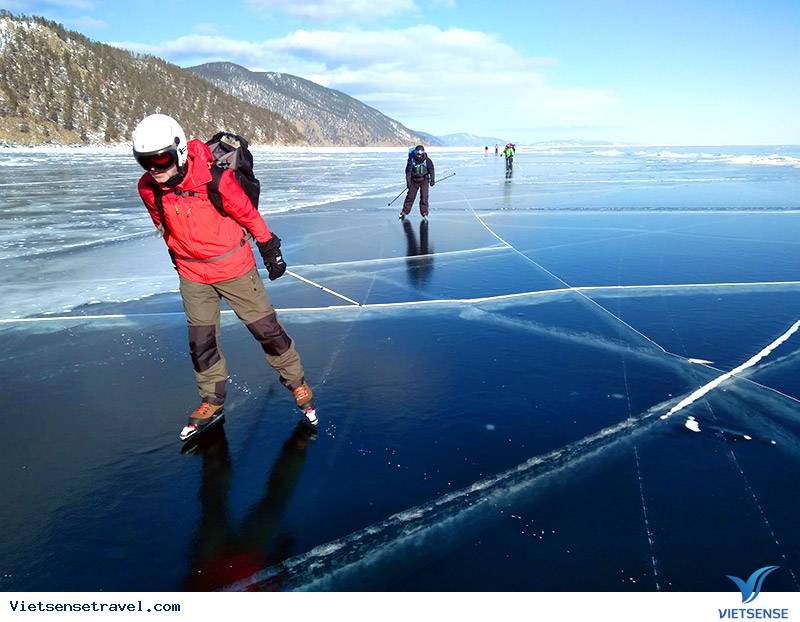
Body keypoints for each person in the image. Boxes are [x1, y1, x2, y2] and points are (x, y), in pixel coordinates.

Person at [131, 113, 317, 441]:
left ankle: (297, 383)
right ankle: (211, 401)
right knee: (201, 342)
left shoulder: (215, 180)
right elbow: (163, 226)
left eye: (160, 159)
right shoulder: (148, 188)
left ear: (179, 151)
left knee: (266, 330)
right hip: (193, 274)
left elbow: (249, 215)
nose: (154, 169)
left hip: (234, 268)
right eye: (144, 161)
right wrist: (178, 259)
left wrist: (270, 250)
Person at [400, 145, 435, 221]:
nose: (419, 154)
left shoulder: (427, 160)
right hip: (414, 181)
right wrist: (408, 183)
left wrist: (432, 180)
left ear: (423, 152)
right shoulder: (411, 160)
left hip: (424, 180)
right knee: (410, 197)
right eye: (417, 152)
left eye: (420, 152)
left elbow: (431, 170)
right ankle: (404, 212)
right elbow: (408, 172)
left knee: (424, 197)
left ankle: (424, 213)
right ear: (415, 152)